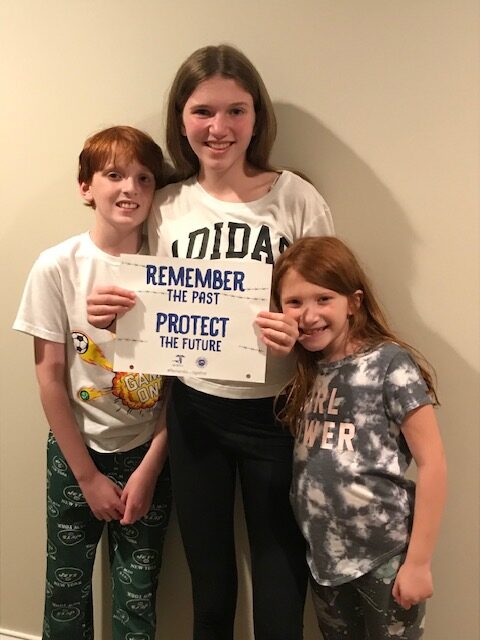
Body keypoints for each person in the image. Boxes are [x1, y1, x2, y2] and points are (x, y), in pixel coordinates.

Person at [87, 44, 334, 640]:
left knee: (280, 587)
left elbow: (332, 314)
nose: (218, 128)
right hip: (194, 416)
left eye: (236, 111)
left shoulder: (295, 198)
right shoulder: (166, 202)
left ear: (257, 116)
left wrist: (298, 335)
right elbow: (140, 297)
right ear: (180, 118)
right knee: (210, 586)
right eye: (202, 111)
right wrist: (107, 311)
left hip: (277, 416)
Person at [13, 126, 172, 640]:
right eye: (114, 174)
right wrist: (85, 477)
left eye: (144, 178)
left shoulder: (169, 268)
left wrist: (151, 467)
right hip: (75, 454)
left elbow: (183, 383)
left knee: (138, 596)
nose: (130, 188)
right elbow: (49, 375)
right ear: (86, 187)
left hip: (148, 452)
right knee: (65, 594)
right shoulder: (57, 267)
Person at [269, 236, 447, 640]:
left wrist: (418, 563)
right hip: (325, 563)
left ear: (354, 301)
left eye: (323, 299)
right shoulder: (308, 370)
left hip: (384, 558)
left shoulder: (389, 364)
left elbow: (433, 463)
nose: (308, 315)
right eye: (294, 302)